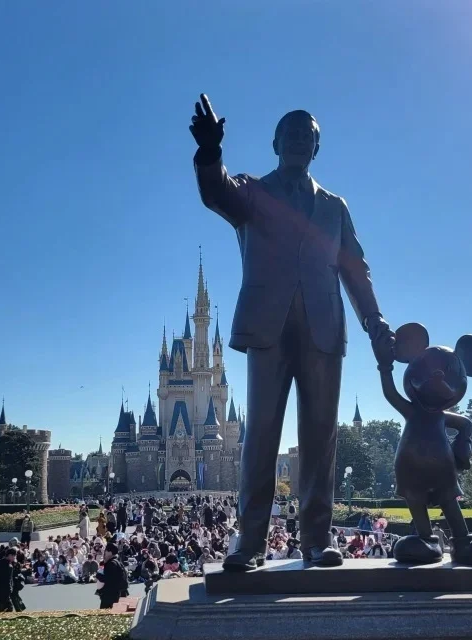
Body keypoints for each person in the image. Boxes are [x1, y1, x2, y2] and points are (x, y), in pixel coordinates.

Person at [191, 95, 394, 571]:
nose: (301, 139)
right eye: (293, 132)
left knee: (321, 437)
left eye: (309, 134)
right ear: (276, 142)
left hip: (324, 328)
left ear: (316, 148)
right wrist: (209, 153)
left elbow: (356, 270)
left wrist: (374, 320)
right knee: (260, 432)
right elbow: (216, 192)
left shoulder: (335, 207)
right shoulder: (253, 193)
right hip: (269, 328)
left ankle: (318, 540)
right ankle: (250, 543)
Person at [97, 543, 129, 609]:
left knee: (104, 614)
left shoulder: (111, 564)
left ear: (110, 552)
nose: (105, 552)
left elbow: (109, 579)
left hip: (110, 595)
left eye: (106, 551)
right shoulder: (117, 561)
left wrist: (98, 575)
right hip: (116, 593)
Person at [0, 547, 17, 613]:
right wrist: (10, 588)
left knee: (6, 607)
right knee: (6, 607)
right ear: (10, 555)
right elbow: (7, 579)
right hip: (5, 590)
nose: (14, 558)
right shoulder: (8, 566)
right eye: (14, 556)